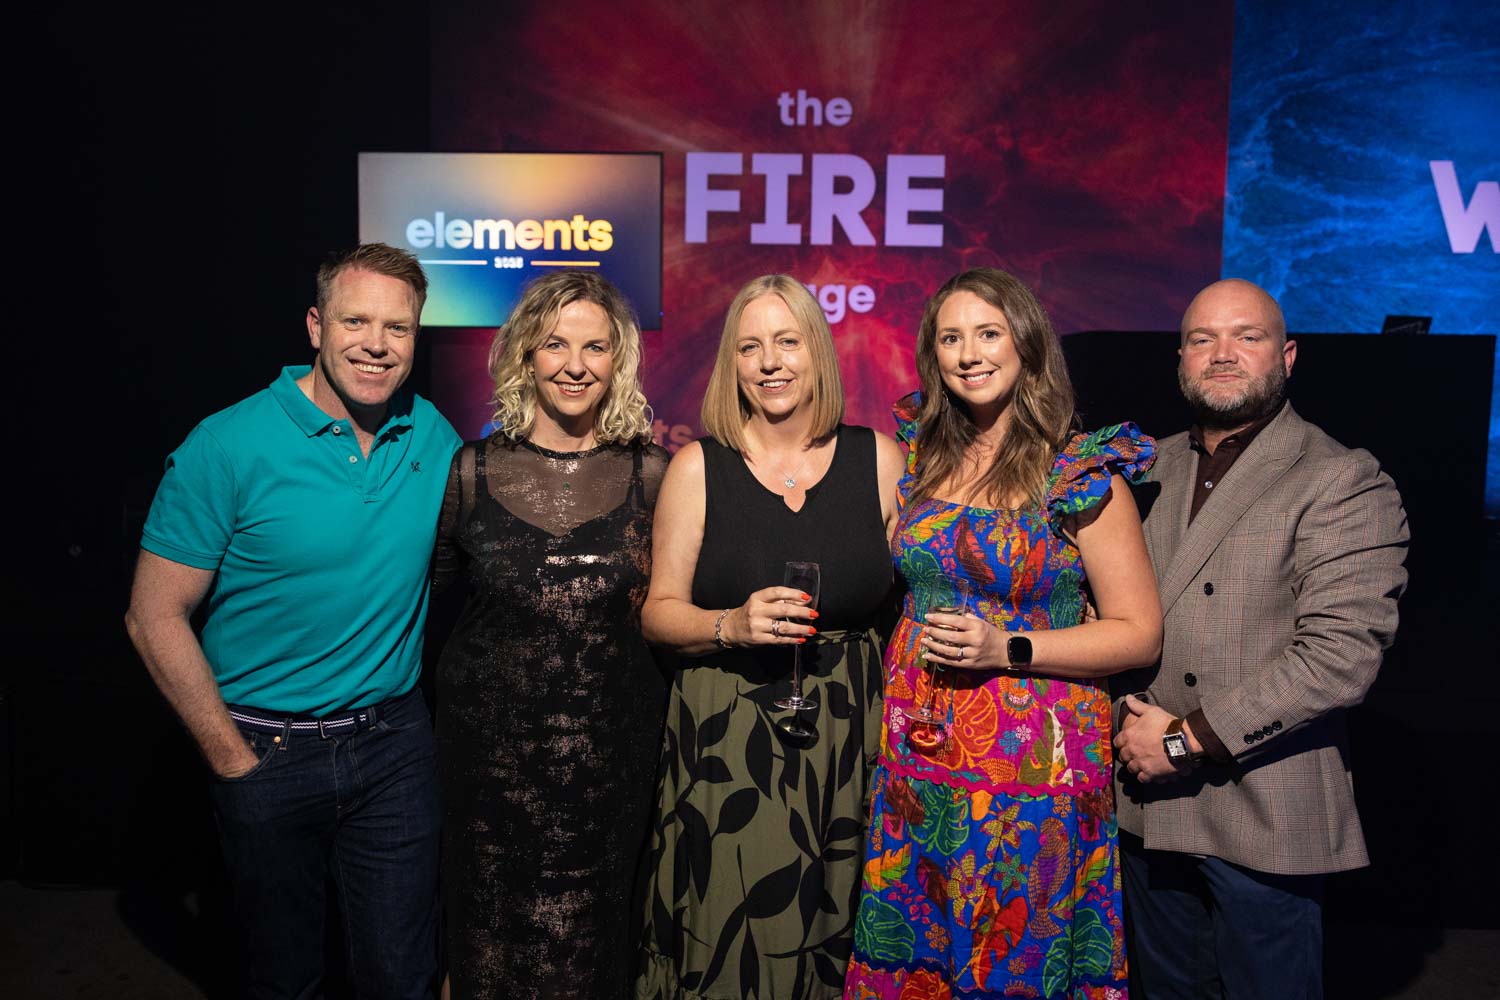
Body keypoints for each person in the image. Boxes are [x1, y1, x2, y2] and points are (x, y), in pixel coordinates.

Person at [124, 243, 461, 999]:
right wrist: (232, 762)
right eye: (356, 321)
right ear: (315, 325)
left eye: (398, 328)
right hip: (265, 750)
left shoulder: (432, 436)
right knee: (284, 982)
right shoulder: (227, 446)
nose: (377, 344)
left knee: (402, 977)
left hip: (394, 749)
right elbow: (153, 616)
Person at [844, 268, 1161, 999]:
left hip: (1032, 769)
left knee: (1015, 954)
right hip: (918, 753)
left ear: (1026, 345)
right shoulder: (924, 457)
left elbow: (1139, 633)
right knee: (917, 947)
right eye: (951, 338)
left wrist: (1008, 648)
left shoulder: (1078, 474)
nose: (969, 354)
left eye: (988, 333)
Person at [1112, 278, 1408, 998]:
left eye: (1247, 336)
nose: (1223, 354)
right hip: (1145, 802)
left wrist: (1181, 740)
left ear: (1289, 355)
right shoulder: (1143, 466)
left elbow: (1340, 657)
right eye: (1202, 338)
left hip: (1262, 806)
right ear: (1180, 358)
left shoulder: (1341, 477)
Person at [635, 275, 906, 999]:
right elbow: (659, 611)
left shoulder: (880, 462)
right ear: (732, 364)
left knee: (842, 925)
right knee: (738, 930)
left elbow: (913, 597)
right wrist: (730, 625)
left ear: (818, 352)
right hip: (730, 733)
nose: (770, 362)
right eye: (750, 347)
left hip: (855, 736)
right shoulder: (698, 467)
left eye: (788, 342)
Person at [432, 270, 669, 999]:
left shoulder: (657, 477)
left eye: (595, 347)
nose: (575, 364)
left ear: (618, 360)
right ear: (525, 356)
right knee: (488, 943)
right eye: (555, 344)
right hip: (487, 765)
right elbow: (437, 612)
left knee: (593, 945)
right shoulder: (468, 472)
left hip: (611, 761)